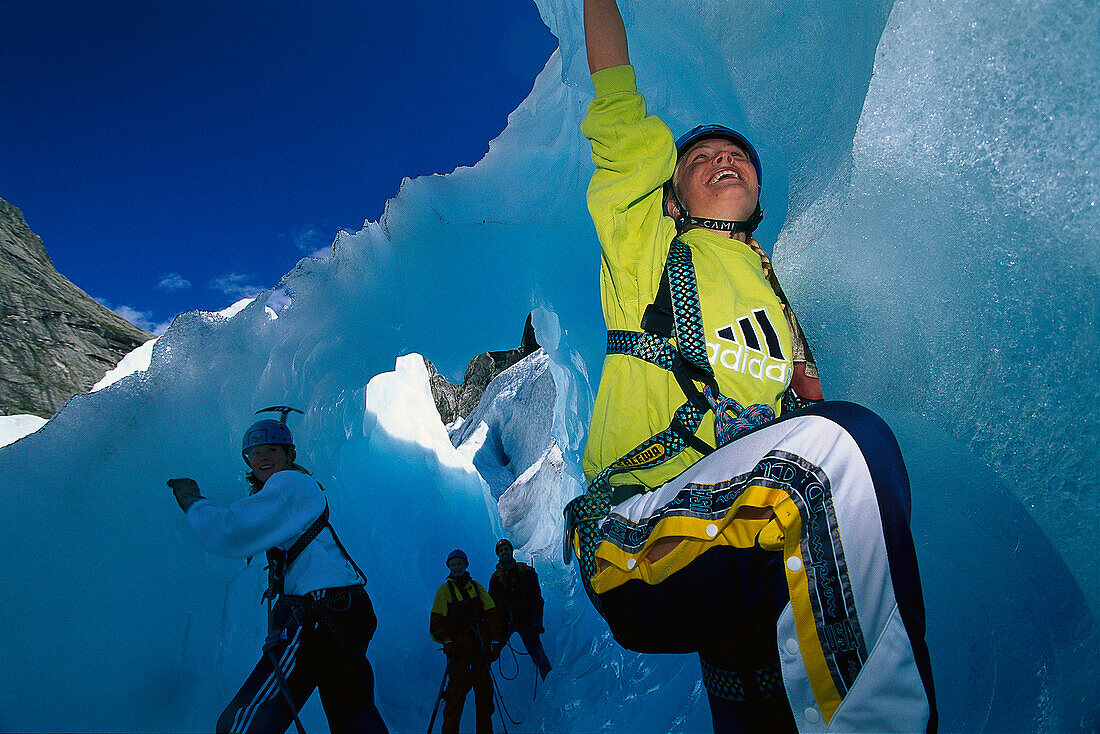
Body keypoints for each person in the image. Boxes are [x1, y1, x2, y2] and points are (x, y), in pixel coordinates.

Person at [563, 1, 937, 732]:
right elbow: (614, 92)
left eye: (736, 155)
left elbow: (803, 395)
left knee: (765, 697)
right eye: (699, 159)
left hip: (733, 536)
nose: (721, 159)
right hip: (636, 533)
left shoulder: (770, 290)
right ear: (671, 194)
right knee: (838, 458)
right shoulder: (647, 244)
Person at [168, 407, 388, 734]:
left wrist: (193, 503)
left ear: (289, 454)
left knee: (242, 725)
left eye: (271, 449)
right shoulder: (296, 491)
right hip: (347, 612)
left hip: (318, 616)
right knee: (354, 719)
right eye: (254, 453)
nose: (262, 458)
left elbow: (230, 531)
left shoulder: (289, 483)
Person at [429, 549, 505, 734]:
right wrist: (446, 640)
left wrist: (494, 640)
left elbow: (492, 614)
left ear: (465, 565)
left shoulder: (477, 588)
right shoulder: (444, 591)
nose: (456, 567)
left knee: (484, 695)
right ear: (449, 567)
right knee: (455, 697)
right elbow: (436, 623)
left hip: (479, 649)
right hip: (459, 652)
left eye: (459, 563)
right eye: (453, 564)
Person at [488, 539, 552, 680]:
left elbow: (537, 599)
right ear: (498, 554)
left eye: (506, 549)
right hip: (506, 623)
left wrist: (537, 622)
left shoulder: (526, 571)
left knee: (539, 656)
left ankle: (551, 684)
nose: (504, 552)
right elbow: (492, 606)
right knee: (490, 654)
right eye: (501, 550)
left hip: (526, 622)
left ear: (511, 551)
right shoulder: (496, 578)